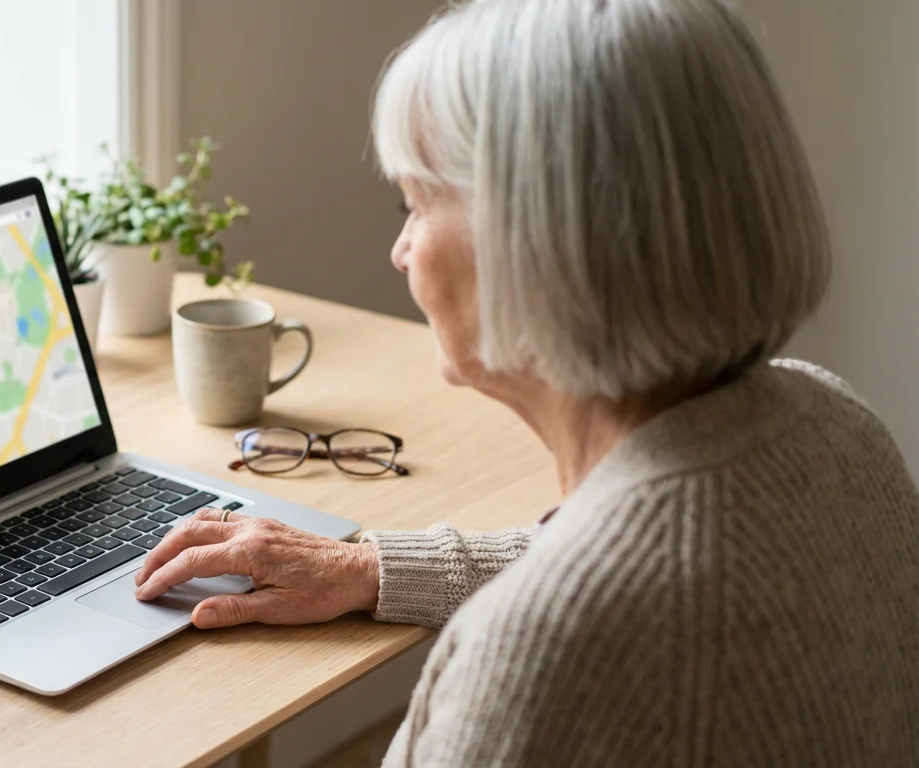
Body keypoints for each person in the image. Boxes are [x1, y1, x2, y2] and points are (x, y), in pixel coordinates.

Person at [134, 0, 919, 763]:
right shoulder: (839, 426)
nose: (401, 252)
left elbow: (594, 604)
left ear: (535, 245)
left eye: (414, 204)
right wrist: (369, 567)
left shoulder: (540, 657)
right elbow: (625, 559)